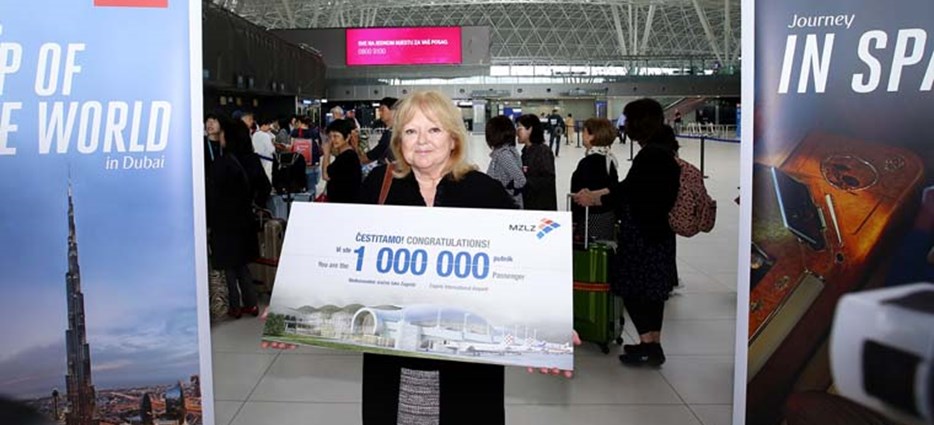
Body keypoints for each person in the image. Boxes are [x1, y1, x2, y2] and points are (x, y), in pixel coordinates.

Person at [356, 91, 518, 425]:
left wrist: (556, 326)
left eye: (434, 129)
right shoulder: (378, 187)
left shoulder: (485, 193)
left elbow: (521, 270)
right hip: (395, 358)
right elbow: (340, 257)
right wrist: (289, 305)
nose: (422, 141)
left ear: (453, 138)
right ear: (399, 141)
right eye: (411, 131)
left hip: (468, 363)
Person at [573, 98, 680, 366]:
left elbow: (629, 192)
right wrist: (602, 194)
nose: (626, 125)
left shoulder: (651, 155)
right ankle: (651, 344)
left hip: (643, 232)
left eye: (629, 120)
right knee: (652, 291)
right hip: (658, 231)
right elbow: (631, 187)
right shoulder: (662, 150)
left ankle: (648, 344)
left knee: (630, 286)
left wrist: (596, 197)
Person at [207, 116, 261, 319]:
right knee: (242, 264)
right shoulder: (251, 159)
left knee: (228, 265)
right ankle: (252, 303)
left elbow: (213, 195)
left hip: (224, 221)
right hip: (244, 219)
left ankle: (234, 306)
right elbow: (262, 187)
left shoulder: (221, 163)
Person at [570, 118, 619, 241]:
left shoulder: (588, 162)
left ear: (592, 136)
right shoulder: (609, 160)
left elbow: (580, 194)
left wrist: (574, 221)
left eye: (584, 132)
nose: (582, 135)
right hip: (607, 218)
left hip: (590, 219)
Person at [517, 114, 557, 211]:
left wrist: (524, 182)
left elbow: (548, 180)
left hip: (541, 208)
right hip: (529, 205)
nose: (517, 132)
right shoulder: (525, 151)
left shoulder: (543, 151)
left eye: (520, 128)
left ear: (530, 129)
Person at [485, 115, 526, 208]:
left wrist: (508, 190)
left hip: (506, 207)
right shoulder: (507, 151)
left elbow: (520, 179)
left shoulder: (503, 155)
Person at [323, 119, 362, 203]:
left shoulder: (347, 157)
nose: (332, 140)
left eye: (336, 136)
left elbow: (326, 176)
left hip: (344, 204)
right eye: (330, 137)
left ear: (347, 137)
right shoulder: (346, 155)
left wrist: (326, 153)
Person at [357, 97, 397, 165]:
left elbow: (376, 152)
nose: (380, 113)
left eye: (382, 110)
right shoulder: (390, 131)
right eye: (379, 110)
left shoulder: (392, 132)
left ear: (394, 111)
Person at [251, 115, 277, 183]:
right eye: (268, 125)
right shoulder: (266, 135)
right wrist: (273, 145)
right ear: (263, 125)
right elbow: (272, 150)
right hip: (267, 160)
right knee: (268, 176)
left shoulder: (254, 134)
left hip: (257, 159)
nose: (269, 127)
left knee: (259, 177)